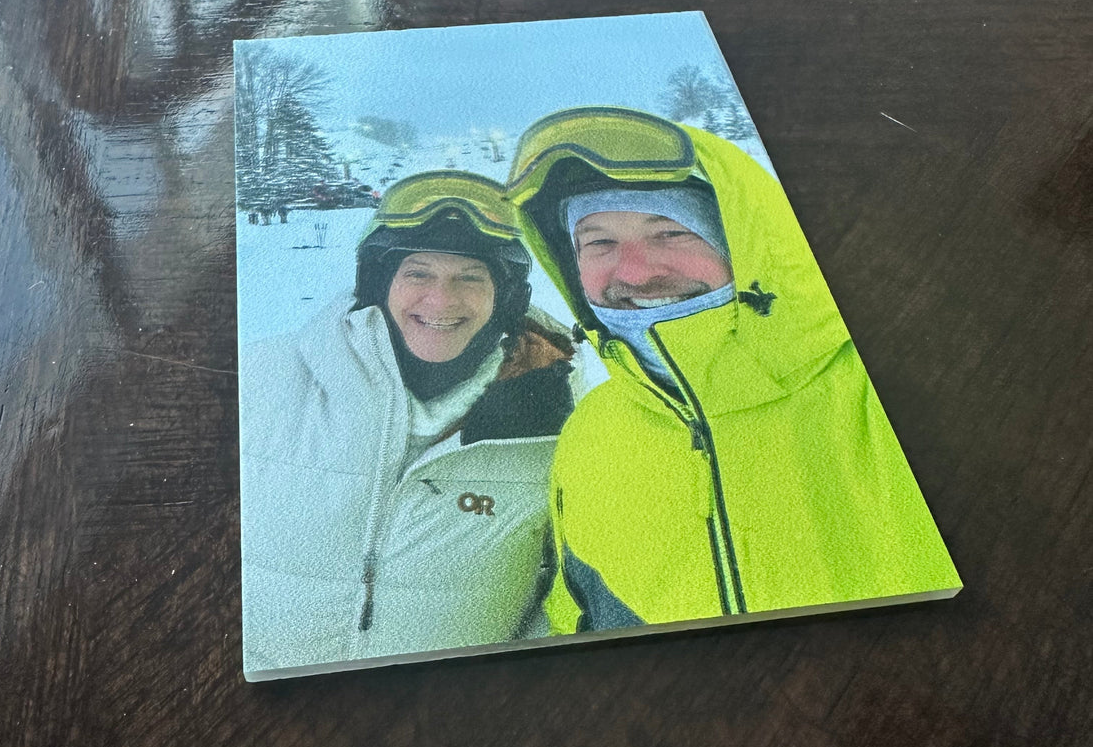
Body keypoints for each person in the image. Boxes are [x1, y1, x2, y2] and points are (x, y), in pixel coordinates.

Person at [505, 106, 959, 634]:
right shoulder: (589, 433)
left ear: (744, 243)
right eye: (599, 242)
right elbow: (577, 611)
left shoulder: (890, 389)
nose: (634, 271)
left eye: (671, 232)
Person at [240, 171, 576, 676]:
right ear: (380, 283)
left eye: (470, 276)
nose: (441, 300)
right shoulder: (260, 379)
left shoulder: (561, 417)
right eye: (418, 273)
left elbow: (569, 600)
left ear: (504, 296)